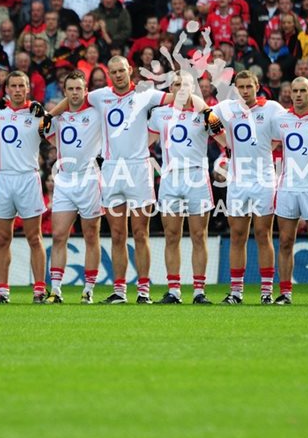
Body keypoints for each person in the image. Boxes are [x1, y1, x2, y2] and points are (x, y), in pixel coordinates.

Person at [48, 56, 169, 304]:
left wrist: (203, 108)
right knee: (116, 234)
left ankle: (144, 291)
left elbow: (174, 99)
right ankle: (120, 291)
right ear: (109, 74)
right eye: (113, 71)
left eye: (121, 70)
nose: (118, 75)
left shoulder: (146, 94)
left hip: (138, 169)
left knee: (140, 232)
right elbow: (73, 98)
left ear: (130, 70)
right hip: (111, 170)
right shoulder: (100, 95)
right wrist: (49, 114)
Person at [148, 73, 223, 304]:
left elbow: (224, 140)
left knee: (199, 235)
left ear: (193, 88)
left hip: (196, 177)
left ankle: (199, 291)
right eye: (177, 84)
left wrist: (210, 117)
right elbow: (143, 143)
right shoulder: (160, 113)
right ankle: (174, 290)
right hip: (170, 178)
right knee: (172, 235)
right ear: (171, 87)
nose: (181, 88)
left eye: (185, 85)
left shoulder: (204, 114)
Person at [213, 70, 284, 304]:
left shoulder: (271, 108)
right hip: (237, 182)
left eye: (249, 87)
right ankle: (236, 292)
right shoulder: (227, 108)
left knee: (263, 234)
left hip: (264, 180)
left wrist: (270, 147)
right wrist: (225, 144)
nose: (245, 91)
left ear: (257, 86)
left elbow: (289, 128)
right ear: (235, 89)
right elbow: (207, 118)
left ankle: (266, 292)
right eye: (240, 87)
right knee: (237, 235)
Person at [0, 71, 48, 304]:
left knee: (34, 237)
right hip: (3, 178)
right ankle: (2, 290)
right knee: (2, 238)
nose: (18, 89)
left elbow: (54, 133)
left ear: (28, 88)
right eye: (14, 86)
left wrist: (46, 117)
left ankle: (40, 289)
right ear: (7, 89)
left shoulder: (37, 113)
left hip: (28, 178)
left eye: (22, 85)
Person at [269, 77, 308, 305]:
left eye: (302, 91)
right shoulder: (281, 120)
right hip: (287, 186)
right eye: (294, 91)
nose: (297, 95)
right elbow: (269, 146)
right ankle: (285, 293)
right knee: (285, 240)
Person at [44, 70, 103, 303]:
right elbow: (46, 135)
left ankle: (88, 290)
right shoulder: (57, 118)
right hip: (65, 180)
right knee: (58, 235)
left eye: (79, 88)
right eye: (70, 89)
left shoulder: (97, 113)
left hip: (89, 178)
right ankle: (56, 290)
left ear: (85, 90)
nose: (75, 93)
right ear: (65, 92)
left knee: (91, 235)